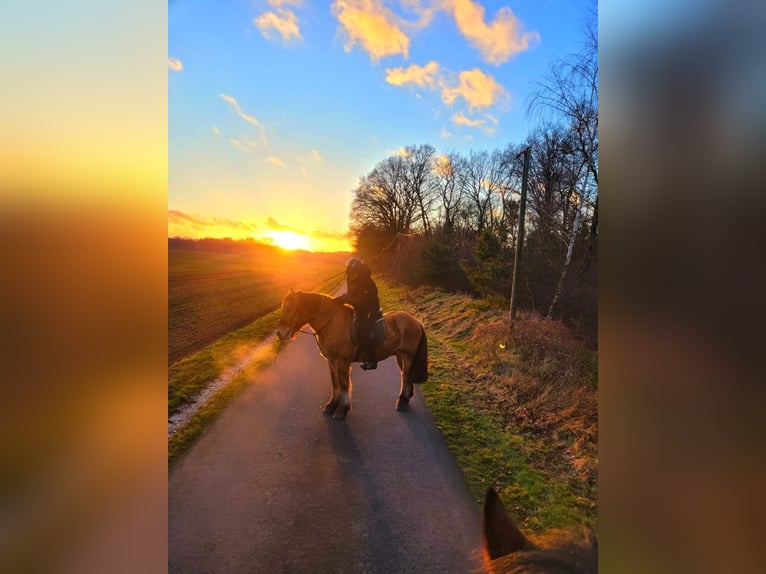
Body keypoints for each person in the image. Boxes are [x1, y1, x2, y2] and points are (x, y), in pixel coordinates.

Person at [333, 258, 382, 370]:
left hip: (370, 310)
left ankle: (373, 360)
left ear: (359, 272)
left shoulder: (367, 282)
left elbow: (359, 301)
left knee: (363, 334)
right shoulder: (351, 279)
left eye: (353, 274)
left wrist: (344, 299)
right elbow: (350, 295)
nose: (350, 276)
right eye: (349, 274)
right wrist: (339, 300)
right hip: (359, 310)